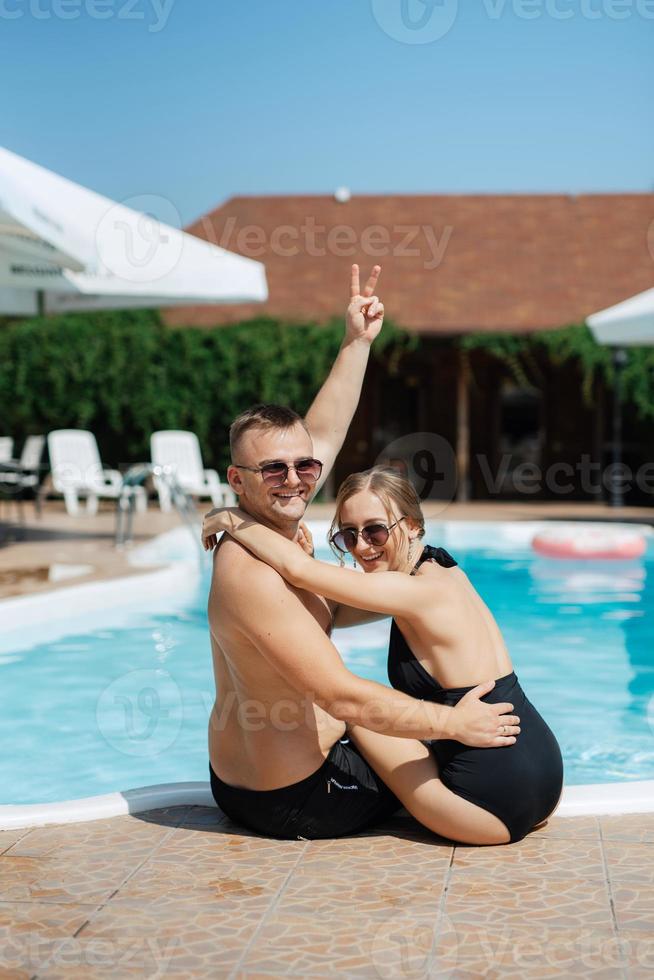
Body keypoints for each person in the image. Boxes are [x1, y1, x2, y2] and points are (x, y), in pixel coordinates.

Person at [202, 264, 521, 845]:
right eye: (273, 468)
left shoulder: (271, 526)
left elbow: (321, 432)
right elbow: (340, 694)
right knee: (437, 761)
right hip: (295, 798)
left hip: (256, 779)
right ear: (237, 479)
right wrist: (455, 722)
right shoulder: (251, 570)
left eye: (304, 467)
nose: (294, 479)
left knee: (395, 726)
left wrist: (355, 343)